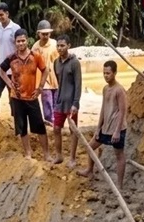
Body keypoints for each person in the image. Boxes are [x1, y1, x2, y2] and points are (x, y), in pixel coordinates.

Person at [0, 28, 48, 160]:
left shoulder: (35, 56)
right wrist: (10, 84)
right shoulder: (11, 58)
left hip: (32, 97)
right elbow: (1, 71)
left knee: (39, 126)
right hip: (17, 97)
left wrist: (41, 87)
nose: (20, 43)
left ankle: (46, 154)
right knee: (22, 127)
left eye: (23, 41)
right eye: (18, 41)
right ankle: (28, 153)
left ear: (27, 41)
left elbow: (45, 70)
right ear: (15, 43)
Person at [80, 60, 128, 187]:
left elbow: (123, 111)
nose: (106, 76)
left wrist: (117, 131)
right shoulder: (105, 88)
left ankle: (119, 185)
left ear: (115, 73)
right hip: (105, 127)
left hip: (116, 129)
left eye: (108, 73)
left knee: (119, 155)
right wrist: (97, 128)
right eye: (104, 73)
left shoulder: (119, 90)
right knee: (90, 146)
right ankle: (90, 170)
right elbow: (103, 108)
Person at [31, 20, 60, 164]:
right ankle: (50, 127)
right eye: (43, 34)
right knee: (47, 105)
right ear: (38, 34)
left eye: (47, 34)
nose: (45, 36)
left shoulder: (55, 44)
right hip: (44, 81)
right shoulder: (36, 47)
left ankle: (57, 127)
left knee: (56, 105)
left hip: (57, 79)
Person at [52, 33, 83, 166]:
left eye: (62, 45)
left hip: (71, 103)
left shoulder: (75, 63)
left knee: (73, 130)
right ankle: (59, 155)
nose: (60, 48)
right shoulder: (56, 63)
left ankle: (72, 158)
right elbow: (59, 82)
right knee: (56, 128)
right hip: (60, 102)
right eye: (58, 46)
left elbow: (78, 84)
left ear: (69, 46)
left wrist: (75, 103)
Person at [0, 3, 18, 116]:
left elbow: (19, 49)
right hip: (0, 69)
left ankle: (14, 123)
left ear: (7, 13)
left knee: (13, 99)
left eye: (1, 14)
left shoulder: (15, 28)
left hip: (13, 70)